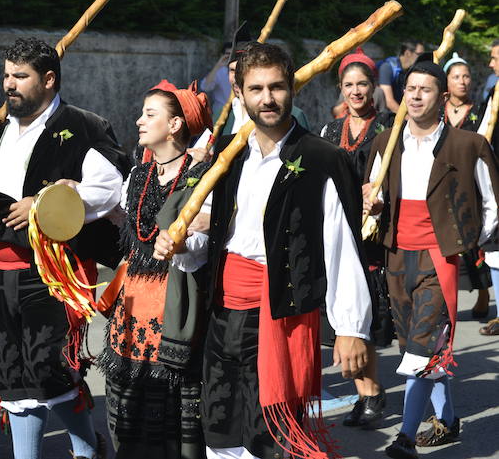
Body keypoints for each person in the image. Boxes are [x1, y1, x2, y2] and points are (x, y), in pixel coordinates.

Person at [0, 37, 130, 459]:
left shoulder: (84, 126)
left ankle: (87, 449)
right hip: (0, 267)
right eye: (6, 75)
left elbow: (111, 190)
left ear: (49, 80)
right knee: (11, 372)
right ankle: (85, 449)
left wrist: (43, 205)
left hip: (53, 270)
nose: (9, 85)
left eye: (21, 76)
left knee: (47, 368)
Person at [200, 42, 371, 459]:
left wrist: (350, 328)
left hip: (282, 311)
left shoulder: (321, 158)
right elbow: (215, 229)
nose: (267, 98)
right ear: (239, 94)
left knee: (271, 437)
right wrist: (183, 238)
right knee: (219, 432)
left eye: (276, 87)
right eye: (256, 88)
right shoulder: (228, 155)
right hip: (222, 309)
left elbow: (340, 246)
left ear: (292, 89)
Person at [364, 61, 499, 458]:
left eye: (425, 89)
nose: (416, 95)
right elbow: (374, 196)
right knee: (420, 347)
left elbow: (492, 203)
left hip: (438, 259)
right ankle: (448, 420)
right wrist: (371, 204)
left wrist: (472, 242)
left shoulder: (468, 144)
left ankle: (405, 437)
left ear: (441, 98)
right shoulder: (387, 142)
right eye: (410, 88)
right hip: (396, 257)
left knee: (421, 348)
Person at [97, 82, 212, 458]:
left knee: (170, 424)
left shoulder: (202, 177)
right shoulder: (138, 177)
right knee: (127, 420)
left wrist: (182, 241)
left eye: (150, 114)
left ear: (176, 124)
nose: (138, 121)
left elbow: (203, 244)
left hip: (174, 309)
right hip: (131, 312)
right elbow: (118, 220)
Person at [320, 53, 394, 429]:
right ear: (340, 89)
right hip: (337, 229)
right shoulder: (330, 131)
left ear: (373, 87)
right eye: (348, 85)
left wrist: (379, 200)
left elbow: (399, 179)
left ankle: (371, 392)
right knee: (342, 312)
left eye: (362, 84)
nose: (355, 91)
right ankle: (369, 391)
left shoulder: (389, 128)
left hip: (372, 234)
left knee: (360, 312)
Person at [440, 55, 492, 318]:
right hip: (441, 183)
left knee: (473, 243)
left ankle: (483, 292)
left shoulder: (482, 112)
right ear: (446, 82)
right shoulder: (438, 111)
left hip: (471, 183)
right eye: (456, 76)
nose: (462, 81)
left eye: (466, 76)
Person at [378, 40, 423, 113]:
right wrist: (407, 118)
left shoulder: (411, 70)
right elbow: (389, 101)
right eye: (419, 54)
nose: (422, 57)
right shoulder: (387, 68)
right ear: (407, 53)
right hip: (387, 116)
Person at [202, 43, 235, 117]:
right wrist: (218, 65)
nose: (230, 57)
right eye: (227, 54)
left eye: (232, 54)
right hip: (220, 113)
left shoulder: (242, 71)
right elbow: (205, 87)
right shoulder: (218, 72)